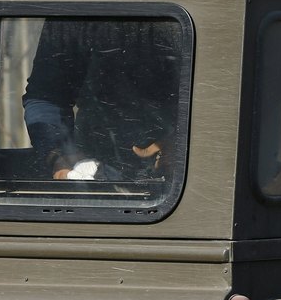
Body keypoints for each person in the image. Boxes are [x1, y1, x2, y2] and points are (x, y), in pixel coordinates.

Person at [23, 17, 184, 180]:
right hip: (94, 177)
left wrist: (184, 145)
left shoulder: (179, 18)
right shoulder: (74, 11)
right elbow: (46, 97)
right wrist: (58, 156)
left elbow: (208, 97)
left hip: (183, 180)